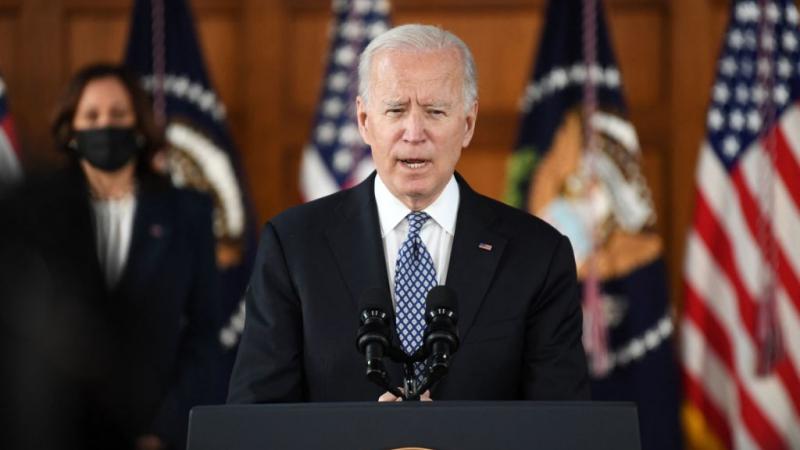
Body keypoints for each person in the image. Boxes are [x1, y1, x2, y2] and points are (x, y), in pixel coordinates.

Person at [227, 24, 589, 403]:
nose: (414, 132)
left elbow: (560, 423)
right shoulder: (293, 247)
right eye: (396, 110)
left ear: (468, 123)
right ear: (364, 121)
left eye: (435, 111)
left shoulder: (538, 254)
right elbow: (257, 419)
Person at [0, 63, 221, 450]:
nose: (106, 125)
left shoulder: (188, 213)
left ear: (139, 127)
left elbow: (205, 336)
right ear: (71, 131)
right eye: (92, 115)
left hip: (157, 432)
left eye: (119, 114)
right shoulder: (36, 216)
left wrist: (162, 431)